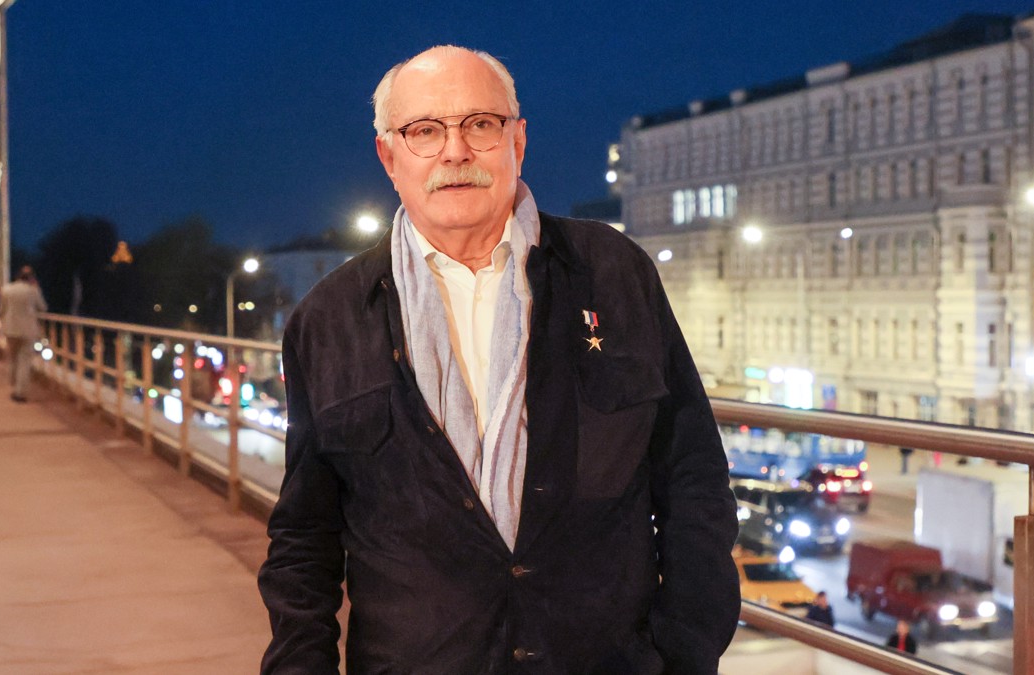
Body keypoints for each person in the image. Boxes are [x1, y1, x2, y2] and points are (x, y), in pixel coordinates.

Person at [257, 45, 739, 673]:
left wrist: (685, 653)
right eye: (424, 131)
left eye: (480, 124)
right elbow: (304, 536)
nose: (455, 151)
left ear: (518, 141)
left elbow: (694, 478)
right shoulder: (328, 320)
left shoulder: (613, 272)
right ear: (389, 157)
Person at [0, 266, 47, 402]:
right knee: (24, 361)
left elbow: (1, 310)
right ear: (31, 278)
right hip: (27, 330)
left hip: (10, 329)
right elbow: (42, 307)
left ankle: (12, 385)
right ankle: (20, 392)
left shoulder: (6, 290)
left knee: (12, 358)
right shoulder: (33, 290)